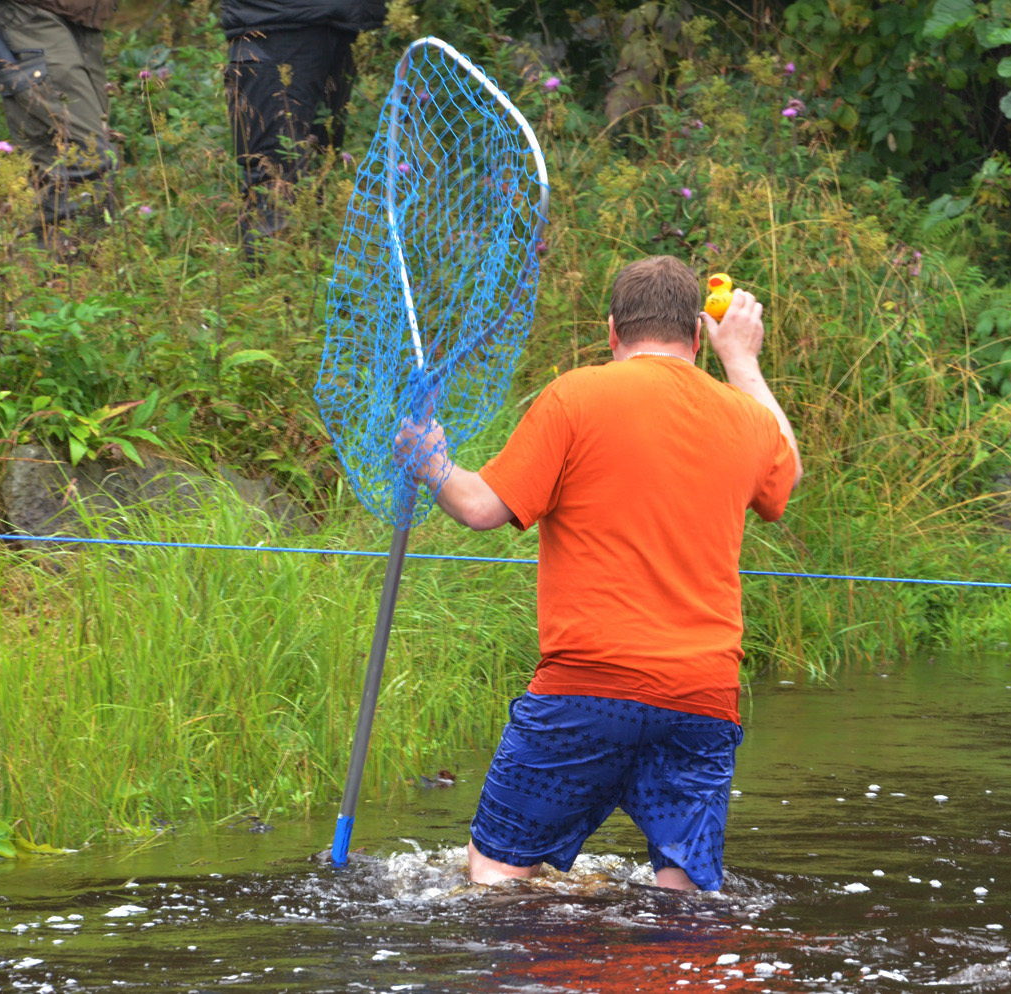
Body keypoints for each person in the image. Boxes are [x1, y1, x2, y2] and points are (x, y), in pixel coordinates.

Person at [396, 256, 802, 892]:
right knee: (684, 891)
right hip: (701, 697)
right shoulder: (746, 418)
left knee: (495, 874)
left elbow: (480, 508)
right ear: (697, 335)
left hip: (585, 688)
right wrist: (743, 362)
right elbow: (787, 476)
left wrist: (431, 461)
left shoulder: (575, 394)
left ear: (613, 331)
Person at [219, 0, 387, 250]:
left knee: (317, 174)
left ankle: (306, 277)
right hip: (273, 22)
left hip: (342, 21)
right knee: (274, 181)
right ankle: (270, 283)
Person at [0, 0, 116, 245]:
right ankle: (61, 274)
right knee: (83, 154)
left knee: (87, 155)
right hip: (22, 11)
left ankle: (72, 271)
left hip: (83, 13)